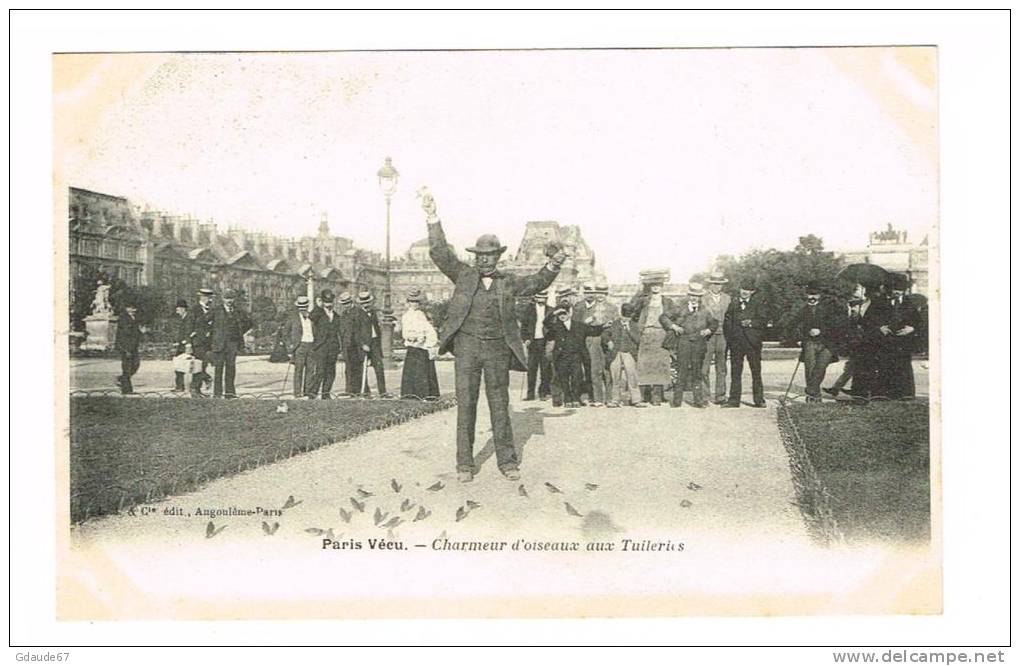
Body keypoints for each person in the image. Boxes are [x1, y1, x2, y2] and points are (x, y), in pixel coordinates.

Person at [422, 190, 564, 483]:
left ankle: (507, 461)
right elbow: (439, 252)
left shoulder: (508, 282)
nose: (485, 261)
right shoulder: (461, 274)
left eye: (490, 256)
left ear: (498, 258)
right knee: (466, 405)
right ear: (475, 257)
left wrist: (554, 265)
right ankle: (464, 464)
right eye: (481, 256)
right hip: (466, 348)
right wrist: (432, 216)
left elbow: (536, 282)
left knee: (499, 405)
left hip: (498, 349)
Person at [661, 282, 717, 408]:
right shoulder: (680, 307)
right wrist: (673, 326)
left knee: (697, 372)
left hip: (699, 343)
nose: (694, 298)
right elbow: (664, 317)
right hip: (684, 342)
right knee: (682, 371)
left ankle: (698, 400)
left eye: (696, 296)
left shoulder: (705, 309)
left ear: (700, 297)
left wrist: (708, 330)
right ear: (688, 295)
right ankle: (677, 401)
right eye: (692, 295)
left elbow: (714, 323)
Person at [792, 282, 844, 402]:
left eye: (815, 295)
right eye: (809, 295)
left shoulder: (830, 308)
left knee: (820, 368)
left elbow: (839, 325)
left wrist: (821, 331)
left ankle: (810, 391)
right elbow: (792, 325)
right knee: (810, 368)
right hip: (809, 342)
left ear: (820, 295)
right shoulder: (803, 310)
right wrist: (799, 339)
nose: (812, 297)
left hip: (828, 344)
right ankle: (815, 396)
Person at [545, 306, 606, 407]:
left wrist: (604, 326)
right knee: (564, 378)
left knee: (576, 378)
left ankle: (575, 398)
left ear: (569, 314)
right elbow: (546, 323)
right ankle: (567, 399)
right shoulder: (556, 326)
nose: (562, 316)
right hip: (561, 357)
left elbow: (594, 330)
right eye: (560, 315)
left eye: (564, 313)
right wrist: (554, 312)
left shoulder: (579, 325)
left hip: (576, 356)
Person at [723, 277, 769, 408]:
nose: (745, 292)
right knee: (735, 372)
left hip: (752, 344)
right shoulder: (733, 304)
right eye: (743, 289)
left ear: (752, 292)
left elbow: (763, 322)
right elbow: (727, 322)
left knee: (756, 372)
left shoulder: (758, 304)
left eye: (748, 290)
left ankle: (759, 400)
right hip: (736, 343)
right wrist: (731, 338)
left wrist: (751, 323)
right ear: (739, 289)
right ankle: (734, 400)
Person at [631, 270, 674, 406]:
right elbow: (634, 313)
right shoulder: (643, 300)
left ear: (662, 286)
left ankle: (657, 396)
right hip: (647, 334)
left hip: (661, 334)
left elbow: (675, 316)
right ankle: (644, 395)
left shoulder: (667, 302)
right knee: (645, 365)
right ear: (650, 287)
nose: (656, 287)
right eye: (653, 285)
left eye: (658, 285)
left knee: (660, 366)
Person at [847, 284, 892, 400]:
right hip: (864, 339)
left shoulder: (883, 303)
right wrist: (857, 316)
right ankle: (860, 392)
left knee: (874, 365)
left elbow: (885, 320)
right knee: (862, 365)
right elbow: (862, 322)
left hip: (876, 339)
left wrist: (878, 328)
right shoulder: (863, 303)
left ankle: (875, 392)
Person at [879, 274, 919, 399]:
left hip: (903, 340)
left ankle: (906, 393)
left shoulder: (910, 303)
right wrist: (880, 328)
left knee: (903, 365)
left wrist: (911, 328)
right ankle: (886, 393)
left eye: (900, 290)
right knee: (886, 365)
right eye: (894, 289)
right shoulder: (880, 303)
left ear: (904, 290)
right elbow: (870, 320)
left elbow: (918, 321)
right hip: (886, 339)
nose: (897, 292)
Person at [210, 288, 252, 399]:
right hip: (219, 344)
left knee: (231, 369)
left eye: (231, 298)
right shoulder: (216, 310)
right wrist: (212, 335)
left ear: (234, 299)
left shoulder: (238, 311)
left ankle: (230, 393)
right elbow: (204, 322)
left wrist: (239, 333)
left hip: (232, 344)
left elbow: (248, 323)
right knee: (218, 369)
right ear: (222, 299)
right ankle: (217, 393)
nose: (229, 301)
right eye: (227, 298)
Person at [400, 288, 441, 399]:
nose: (415, 304)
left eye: (416, 302)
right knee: (413, 370)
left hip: (423, 345)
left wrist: (428, 339)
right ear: (408, 303)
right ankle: (412, 393)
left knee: (424, 370)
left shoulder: (421, 314)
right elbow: (405, 332)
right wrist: (413, 337)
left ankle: (426, 393)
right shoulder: (406, 316)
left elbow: (427, 328)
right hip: (414, 345)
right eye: (412, 302)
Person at [603, 302, 647, 407]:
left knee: (632, 376)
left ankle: (636, 400)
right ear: (621, 314)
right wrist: (608, 341)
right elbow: (604, 334)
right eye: (624, 316)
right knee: (615, 376)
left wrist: (629, 329)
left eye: (628, 316)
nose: (626, 318)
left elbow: (638, 340)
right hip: (615, 353)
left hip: (629, 353)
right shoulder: (614, 323)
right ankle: (615, 399)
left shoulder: (634, 325)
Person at [701, 270, 732, 405]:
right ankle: (704, 396)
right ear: (710, 284)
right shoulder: (702, 298)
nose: (717, 286)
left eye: (719, 284)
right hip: (707, 336)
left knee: (722, 367)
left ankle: (720, 396)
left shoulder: (728, 298)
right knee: (704, 367)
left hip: (723, 336)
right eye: (714, 283)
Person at [546, 287, 577, 407]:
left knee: (575, 373)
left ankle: (573, 397)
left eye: (568, 296)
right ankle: (557, 397)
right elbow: (547, 323)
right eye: (562, 296)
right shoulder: (555, 310)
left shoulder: (577, 308)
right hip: (556, 343)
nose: (565, 299)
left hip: (573, 344)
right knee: (557, 372)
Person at [309, 289, 343, 399]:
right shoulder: (318, 313)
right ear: (323, 302)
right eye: (326, 302)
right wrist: (318, 307)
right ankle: (312, 393)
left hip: (332, 347)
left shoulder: (336, 316)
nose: (329, 304)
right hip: (321, 347)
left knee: (331, 372)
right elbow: (311, 317)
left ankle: (325, 393)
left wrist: (339, 347)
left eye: (330, 302)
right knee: (320, 371)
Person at [352, 291, 387, 395]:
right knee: (363, 369)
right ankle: (365, 391)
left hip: (375, 343)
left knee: (379, 368)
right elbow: (356, 332)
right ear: (361, 304)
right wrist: (363, 344)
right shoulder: (357, 314)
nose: (366, 305)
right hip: (365, 345)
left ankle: (383, 392)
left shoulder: (373, 313)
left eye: (368, 302)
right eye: (364, 303)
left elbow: (376, 328)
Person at [519, 290, 551, 401]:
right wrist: (526, 339)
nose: (542, 299)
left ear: (546, 298)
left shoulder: (550, 310)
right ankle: (530, 394)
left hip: (545, 342)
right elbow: (523, 327)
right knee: (531, 369)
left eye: (544, 297)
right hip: (533, 342)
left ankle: (543, 392)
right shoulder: (529, 310)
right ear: (536, 298)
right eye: (539, 297)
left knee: (545, 369)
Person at [187, 287, 215, 398]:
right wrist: (188, 343)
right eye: (208, 298)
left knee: (202, 366)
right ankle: (195, 389)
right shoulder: (194, 309)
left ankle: (197, 390)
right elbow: (188, 327)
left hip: (208, 343)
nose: (210, 300)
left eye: (211, 298)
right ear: (202, 297)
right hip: (197, 343)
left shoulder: (211, 309)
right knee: (198, 366)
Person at [288, 296, 316, 398]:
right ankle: (297, 392)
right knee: (298, 370)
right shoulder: (293, 318)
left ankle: (308, 392)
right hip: (300, 346)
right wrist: (290, 345)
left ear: (308, 306)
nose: (303, 309)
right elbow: (285, 332)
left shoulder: (313, 317)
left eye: (304, 306)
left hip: (311, 345)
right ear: (298, 307)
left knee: (311, 370)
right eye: (301, 307)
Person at [114, 302, 143, 394]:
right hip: (126, 346)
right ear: (127, 308)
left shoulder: (133, 317)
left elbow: (135, 332)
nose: (134, 310)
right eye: (132, 308)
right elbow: (125, 333)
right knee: (127, 368)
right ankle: (126, 390)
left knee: (135, 365)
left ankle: (122, 379)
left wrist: (140, 332)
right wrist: (126, 349)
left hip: (133, 346)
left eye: (135, 308)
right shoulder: (124, 318)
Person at [336, 292, 361, 394]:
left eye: (347, 303)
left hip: (355, 345)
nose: (345, 306)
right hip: (346, 345)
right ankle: (349, 389)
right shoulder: (343, 314)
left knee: (356, 368)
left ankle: (358, 390)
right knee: (348, 368)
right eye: (344, 304)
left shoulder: (357, 313)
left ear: (351, 302)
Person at [170, 298, 192, 392]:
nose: (177, 311)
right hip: (181, 345)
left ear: (183, 309)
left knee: (190, 365)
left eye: (178, 309)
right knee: (178, 365)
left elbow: (189, 332)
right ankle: (179, 385)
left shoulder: (188, 319)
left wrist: (187, 343)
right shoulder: (182, 319)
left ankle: (180, 386)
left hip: (187, 346)